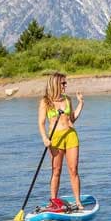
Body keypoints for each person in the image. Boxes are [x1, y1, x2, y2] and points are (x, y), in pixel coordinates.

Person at [38, 72, 85, 209]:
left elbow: (72, 119)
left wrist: (81, 103)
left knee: (73, 169)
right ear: (55, 84)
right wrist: (44, 138)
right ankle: (53, 201)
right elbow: (41, 123)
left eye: (65, 83)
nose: (65, 85)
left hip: (71, 136)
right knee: (56, 170)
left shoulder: (67, 99)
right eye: (63, 83)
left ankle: (78, 202)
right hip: (55, 138)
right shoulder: (45, 101)